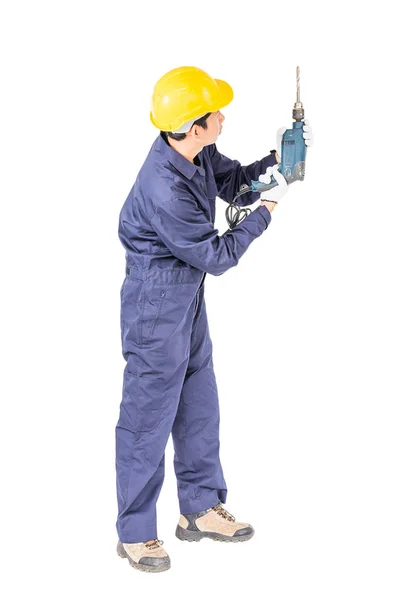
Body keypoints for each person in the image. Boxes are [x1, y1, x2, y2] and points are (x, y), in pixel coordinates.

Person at [115, 65, 313, 573]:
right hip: (155, 307)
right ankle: (136, 533)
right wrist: (269, 208)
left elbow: (232, 184)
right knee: (146, 418)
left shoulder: (194, 152)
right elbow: (219, 256)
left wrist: (277, 161)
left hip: (186, 297)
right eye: (215, 113)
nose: (223, 117)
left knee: (199, 401)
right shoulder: (163, 187)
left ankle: (199, 509)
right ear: (192, 125)